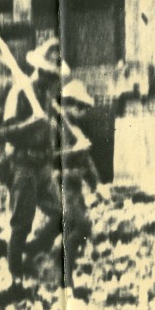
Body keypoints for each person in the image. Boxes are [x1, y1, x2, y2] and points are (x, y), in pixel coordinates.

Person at [0, 34, 64, 298]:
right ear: (40, 71)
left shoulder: (46, 97)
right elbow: (8, 131)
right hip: (23, 166)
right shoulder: (19, 92)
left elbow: (50, 129)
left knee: (62, 214)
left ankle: (34, 251)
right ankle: (16, 282)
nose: (52, 80)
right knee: (20, 225)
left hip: (43, 166)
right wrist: (31, 124)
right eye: (49, 74)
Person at [56, 79, 99, 282]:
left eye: (83, 107)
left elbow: (88, 162)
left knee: (81, 229)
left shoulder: (76, 131)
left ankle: (67, 273)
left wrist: (96, 184)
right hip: (62, 186)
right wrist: (73, 152)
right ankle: (64, 275)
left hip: (74, 187)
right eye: (78, 106)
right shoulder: (57, 129)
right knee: (79, 225)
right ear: (69, 104)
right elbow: (53, 159)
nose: (81, 111)